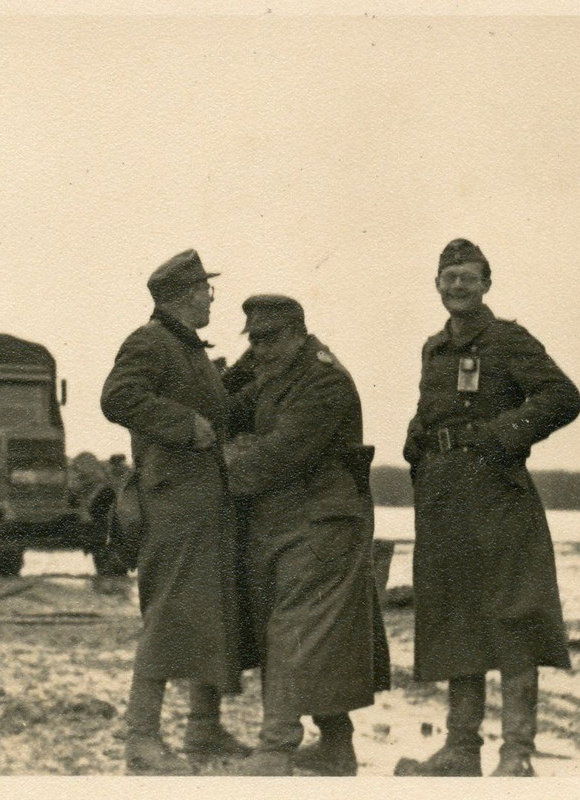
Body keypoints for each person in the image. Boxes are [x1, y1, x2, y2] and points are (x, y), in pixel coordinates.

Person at [398, 239, 580, 777]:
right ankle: (460, 748)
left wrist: (504, 434)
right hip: (444, 499)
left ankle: (517, 753)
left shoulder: (508, 339)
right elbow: (437, 408)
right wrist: (418, 435)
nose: (457, 286)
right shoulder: (433, 347)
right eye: (449, 276)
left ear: (486, 284)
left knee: (513, 617)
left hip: (499, 498)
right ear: (436, 283)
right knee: (457, 617)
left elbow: (563, 397)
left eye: (468, 277)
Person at [100, 249, 254, 775]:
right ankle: (141, 739)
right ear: (182, 296)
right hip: (173, 503)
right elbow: (117, 397)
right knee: (168, 615)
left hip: (205, 502)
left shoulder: (186, 349)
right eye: (205, 292)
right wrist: (184, 424)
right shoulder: (151, 341)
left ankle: (203, 729)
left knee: (210, 610)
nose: (210, 300)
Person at [222, 295, 390, 777]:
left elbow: (279, 454)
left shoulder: (322, 379)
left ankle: (276, 749)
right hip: (289, 521)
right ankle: (337, 747)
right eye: (253, 340)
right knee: (320, 635)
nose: (260, 350)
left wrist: (227, 462)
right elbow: (223, 406)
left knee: (293, 629)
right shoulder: (273, 373)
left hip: (322, 523)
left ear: (297, 333)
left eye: (270, 339)